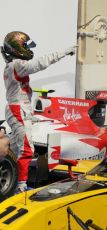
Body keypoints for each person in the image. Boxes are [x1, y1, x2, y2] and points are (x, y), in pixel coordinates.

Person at [1, 31, 76, 193]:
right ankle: (20, 187)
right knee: (26, 150)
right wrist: (63, 52)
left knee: (13, 150)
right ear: (17, 47)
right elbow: (40, 64)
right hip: (18, 110)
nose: (28, 49)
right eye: (25, 45)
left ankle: (10, 181)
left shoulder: (11, 66)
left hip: (18, 109)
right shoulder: (17, 65)